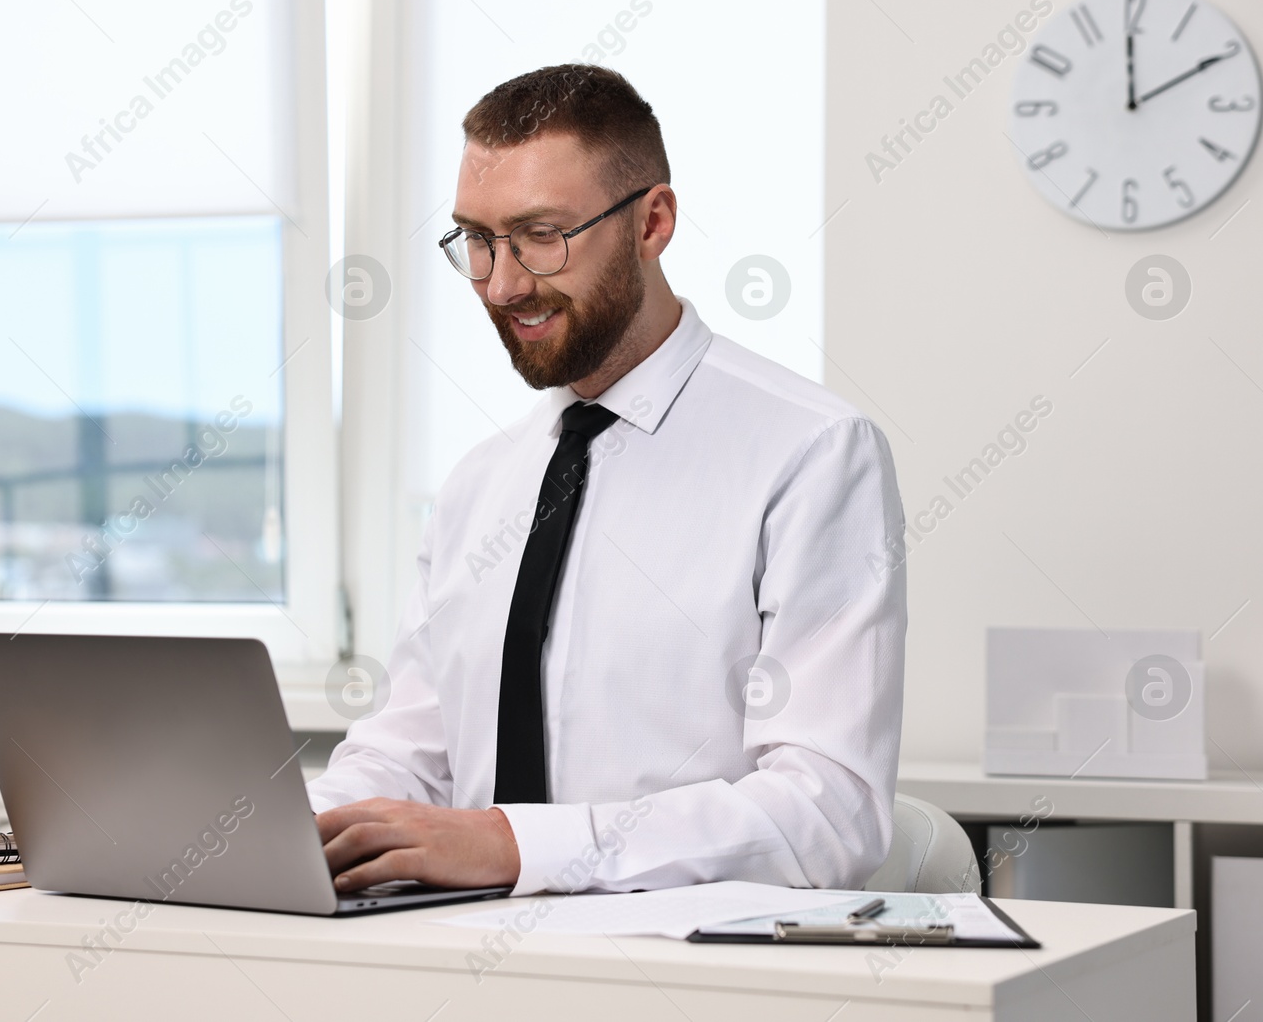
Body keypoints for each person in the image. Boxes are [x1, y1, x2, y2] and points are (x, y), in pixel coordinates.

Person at [309, 64, 906, 898]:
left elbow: (830, 812)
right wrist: (283, 836)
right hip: (457, 963)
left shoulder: (811, 453)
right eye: (477, 240)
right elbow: (407, 752)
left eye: (541, 234)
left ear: (652, 222)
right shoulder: (480, 484)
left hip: (684, 975)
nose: (502, 283)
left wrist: (519, 846)